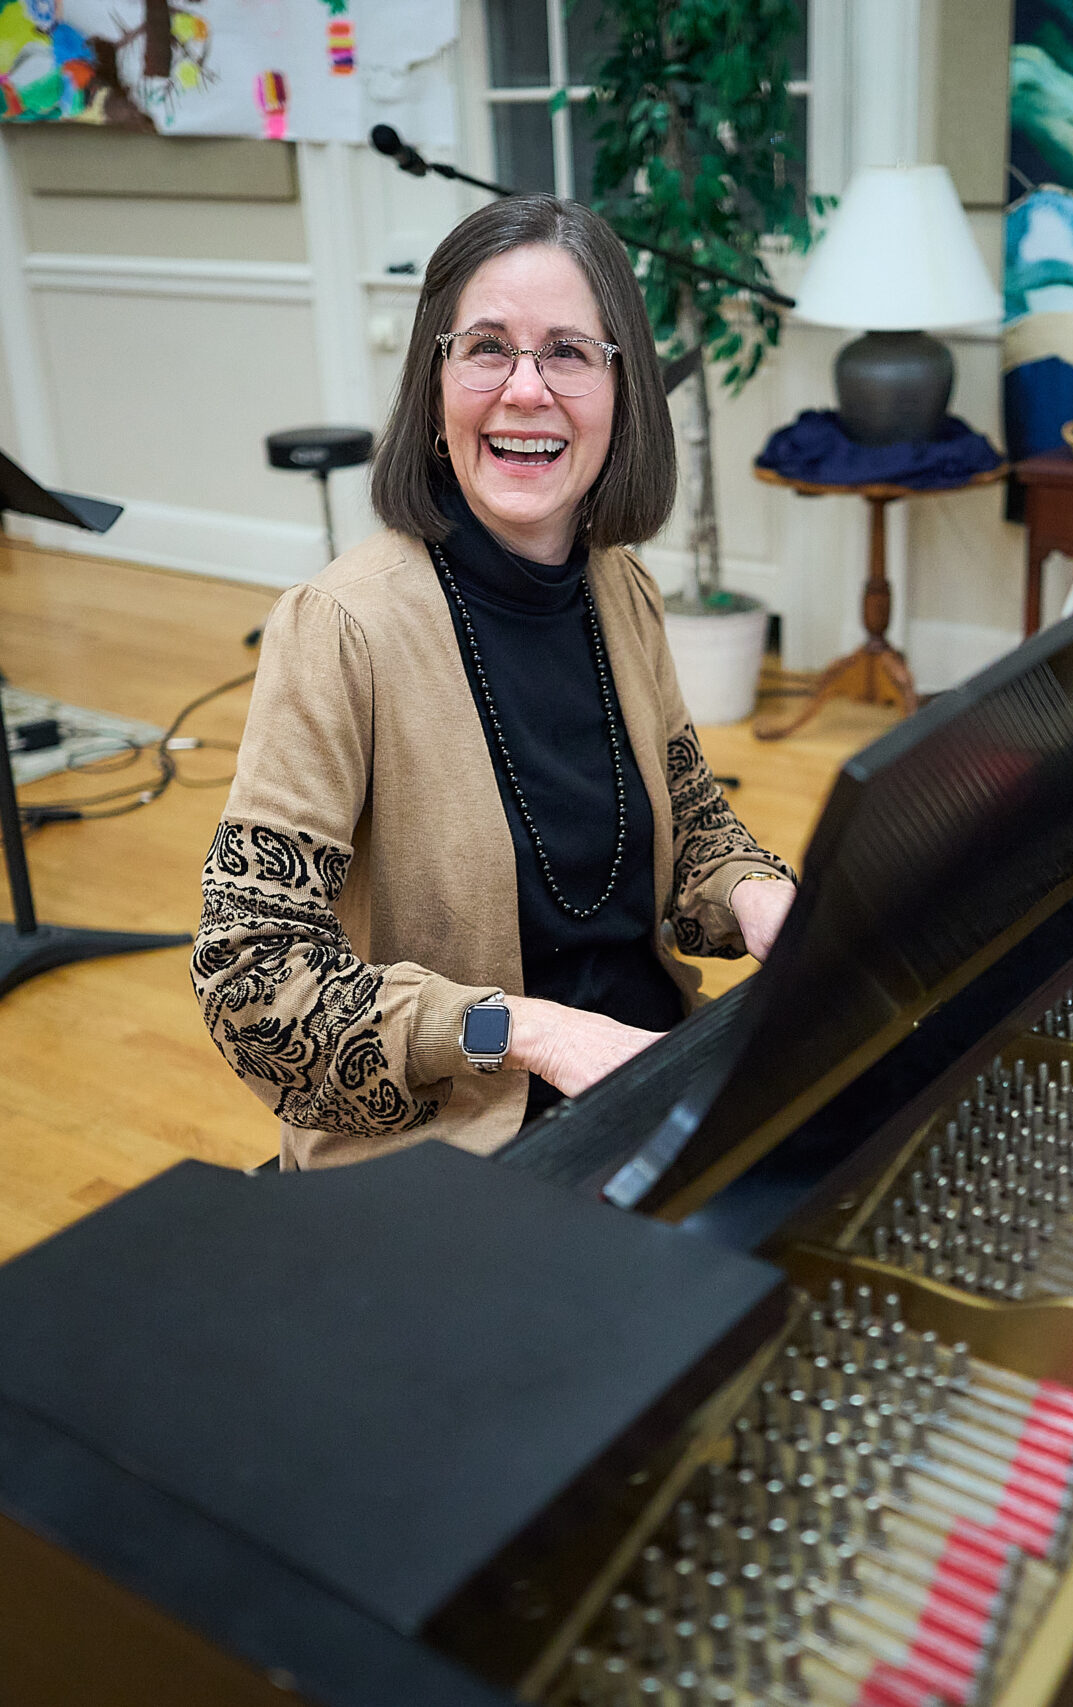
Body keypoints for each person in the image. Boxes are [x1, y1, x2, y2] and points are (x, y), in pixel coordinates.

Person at [194, 195, 798, 1169]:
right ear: (435, 383)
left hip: (648, 1075)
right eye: (486, 348)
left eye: (567, 352)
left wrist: (758, 895)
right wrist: (528, 1031)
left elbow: (690, 825)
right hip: (456, 1143)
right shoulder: (340, 627)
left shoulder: (622, 588)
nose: (525, 390)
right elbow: (250, 981)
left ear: (620, 389)